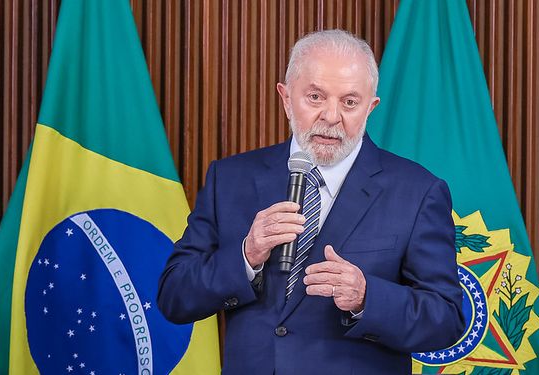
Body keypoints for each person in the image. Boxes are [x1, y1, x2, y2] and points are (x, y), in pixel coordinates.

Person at [157, 29, 464, 375]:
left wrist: (367, 298)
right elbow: (174, 296)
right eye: (315, 97)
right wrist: (246, 255)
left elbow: (447, 318)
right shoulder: (229, 179)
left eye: (349, 102)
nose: (331, 117)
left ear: (370, 107)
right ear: (286, 98)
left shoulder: (419, 191)